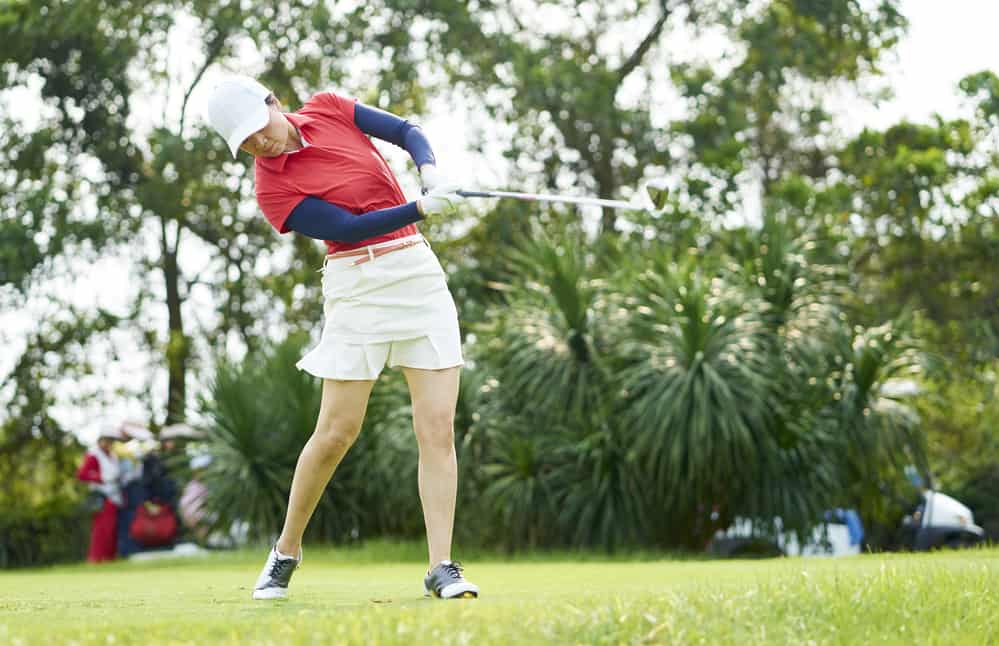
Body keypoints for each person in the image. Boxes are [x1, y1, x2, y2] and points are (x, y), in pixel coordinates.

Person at [205, 75, 478, 601]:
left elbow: (405, 129)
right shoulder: (271, 187)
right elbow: (350, 227)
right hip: (356, 286)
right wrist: (422, 209)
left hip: (418, 275)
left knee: (437, 426)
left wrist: (429, 173)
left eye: (258, 129)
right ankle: (286, 551)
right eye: (245, 143)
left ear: (273, 104)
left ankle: (440, 565)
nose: (258, 144)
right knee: (336, 432)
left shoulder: (330, 108)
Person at [76, 426, 125, 563]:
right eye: (108, 440)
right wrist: (100, 478)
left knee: (112, 529)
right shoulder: (94, 454)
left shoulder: (113, 456)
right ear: (101, 440)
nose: (110, 444)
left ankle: (110, 557)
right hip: (101, 496)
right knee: (101, 529)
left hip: (114, 496)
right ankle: (96, 557)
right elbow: (82, 474)